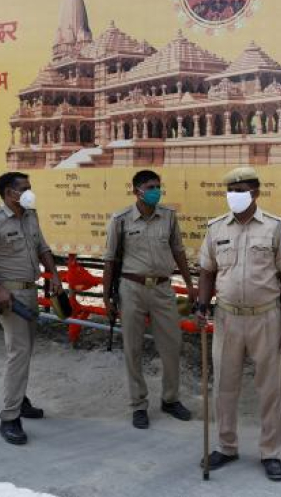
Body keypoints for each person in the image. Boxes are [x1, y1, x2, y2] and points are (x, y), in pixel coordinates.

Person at [196, 166, 281, 482]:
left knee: (269, 388)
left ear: (255, 192)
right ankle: (227, 446)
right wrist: (202, 304)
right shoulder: (215, 228)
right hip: (227, 317)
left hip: (266, 317)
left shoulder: (275, 227)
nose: (234, 195)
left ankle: (271, 451)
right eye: (231, 189)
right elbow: (207, 271)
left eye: (240, 190)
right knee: (225, 386)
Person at [0, 172, 63, 445]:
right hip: (9, 296)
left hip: (29, 291)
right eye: (25, 188)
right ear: (10, 193)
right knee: (18, 353)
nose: (30, 192)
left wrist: (54, 274)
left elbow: (43, 248)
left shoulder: (30, 215)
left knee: (25, 351)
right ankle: (9, 417)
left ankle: (20, 400)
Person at [102, 170, 196, 429]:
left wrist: (189, 284)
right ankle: (138, 404)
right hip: (131, 288)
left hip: (163, 289)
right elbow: (110, 261)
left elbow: (178, 251)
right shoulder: (121, 220)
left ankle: (170, 399)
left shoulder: (168, 217)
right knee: (133, 348)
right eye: (150, 186)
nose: (156, 190)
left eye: (158, 186)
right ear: (137, 191)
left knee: (172, 346)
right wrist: (106, 297)